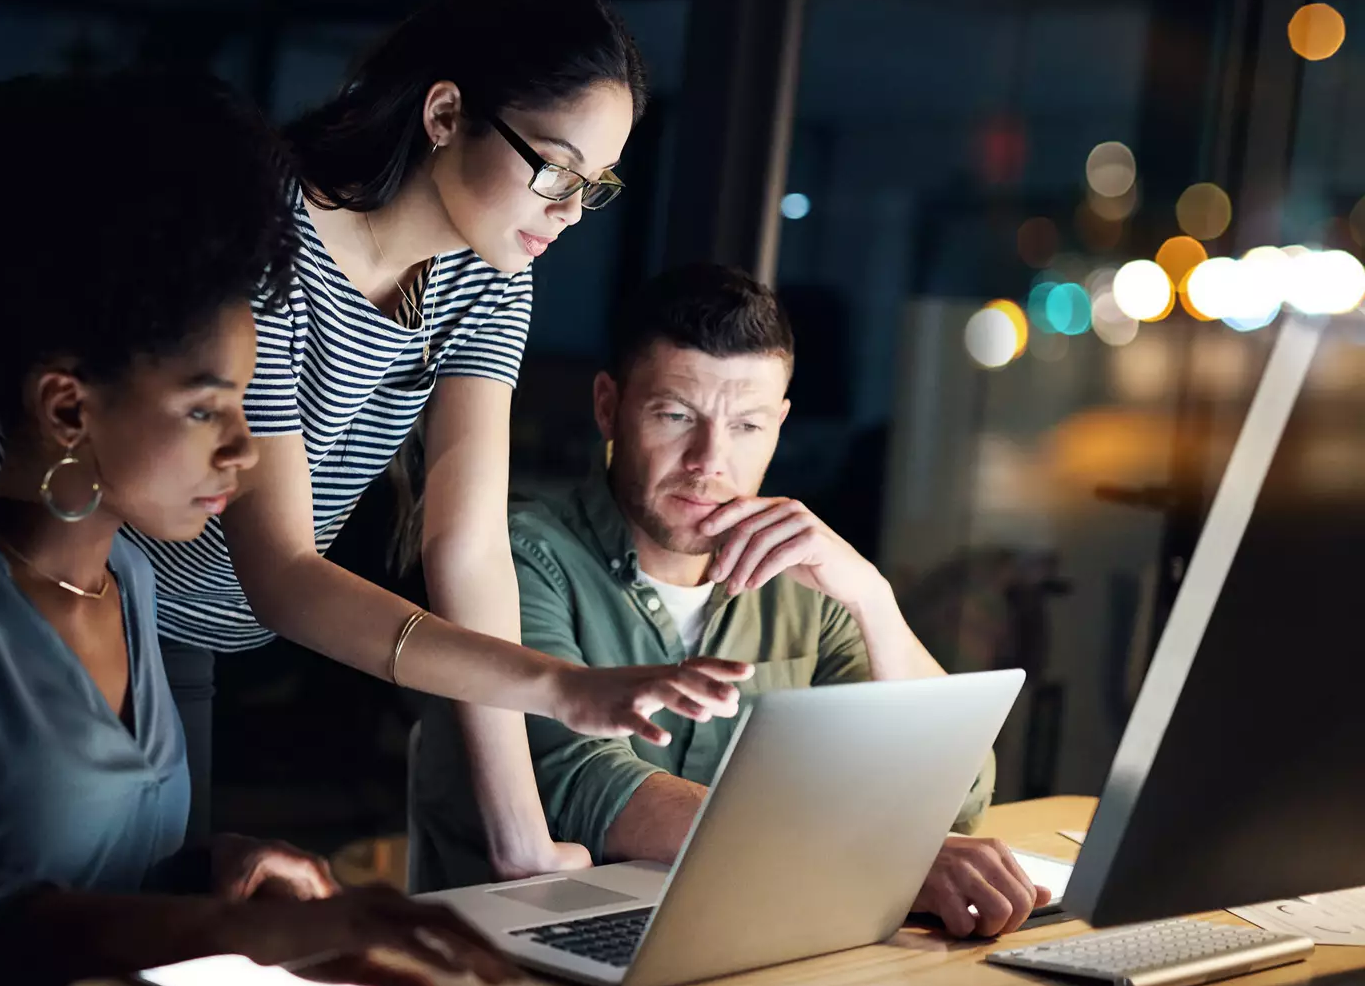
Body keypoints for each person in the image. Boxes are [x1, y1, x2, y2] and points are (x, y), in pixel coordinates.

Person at [0, 0, 745, 881]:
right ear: (446, 114)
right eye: (555, 170)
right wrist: (558, 685)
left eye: (596, 185)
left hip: (178, 616)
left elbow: (470, 550)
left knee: (146, 912)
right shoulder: (265, 234)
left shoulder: (492, 278)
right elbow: (283, 573)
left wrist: (518, 835)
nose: (570, 213)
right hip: (31, 550)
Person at [0, 71, 518, 986]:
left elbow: (93, 870)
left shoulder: (127, 582)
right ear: (67, 406)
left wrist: (227, 877)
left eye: (246, 402)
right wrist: (221, 936)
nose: (245, 448)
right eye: (204, 408)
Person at [411, 264, 1049, 940]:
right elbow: (577, 784)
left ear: (779, 425)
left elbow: (959, 794)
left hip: (734, 941)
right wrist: (861, 855)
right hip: (514, 956)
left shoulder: (806, 580)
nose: (709, 460)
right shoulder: (519, 559)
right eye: (675, 415)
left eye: (746, 426)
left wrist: (872, 596)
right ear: (609, 406)